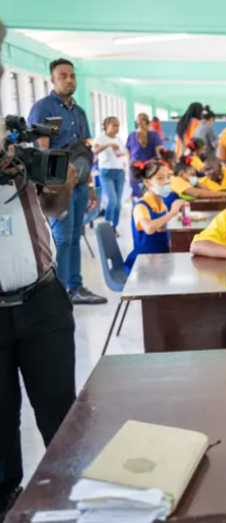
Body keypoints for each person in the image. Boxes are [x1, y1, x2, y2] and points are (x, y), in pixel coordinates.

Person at [0, 24, 79, 519]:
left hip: (43, 298)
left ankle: (68, 495)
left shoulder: (16, 138)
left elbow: (52, 209)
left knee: (61, 416)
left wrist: (62, 185)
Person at [28, 58, 105, 305]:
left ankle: (75, 287)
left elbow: (84, 151)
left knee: (74, 236)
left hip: (80, 185)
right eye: (63, 76)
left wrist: (91, 187)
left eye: (72, 75)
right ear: (52, 79)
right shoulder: (45, 109)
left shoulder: (79, 112)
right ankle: (58, 294)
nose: (69, 80)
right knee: (60, 239)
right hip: (58, 187)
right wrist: (50, 188)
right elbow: (42, 151)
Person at [123, 160, 185, 272]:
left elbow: (162, 224)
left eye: (168, 177)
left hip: (161, 257)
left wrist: (178, 216)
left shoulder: (161, 204)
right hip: (144, 262)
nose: (166, 182)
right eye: (160, 178)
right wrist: (172, 213)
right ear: (147, 182)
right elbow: (149, 228)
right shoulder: (141, 206)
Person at [93, 116, 127, 233]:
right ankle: (107, 225)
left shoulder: (118, 139)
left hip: (119, 172)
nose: (117, 128)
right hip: (106, 172)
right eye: (114, 125)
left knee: (118, 203)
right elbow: (95, 151)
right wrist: (108, 145)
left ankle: (114, 227)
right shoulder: (100, 138)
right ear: (107, 126)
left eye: (118, 125)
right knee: (112, 200)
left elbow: (122, 154)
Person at [126, 113, 164, 198]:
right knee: (151, 194)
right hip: (150, 169)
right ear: (149, 122)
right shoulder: (154, 135)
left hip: (135, 169)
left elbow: (128, 155)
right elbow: (160, 152)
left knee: (137, 196)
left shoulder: (131, 135)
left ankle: (137, 209)